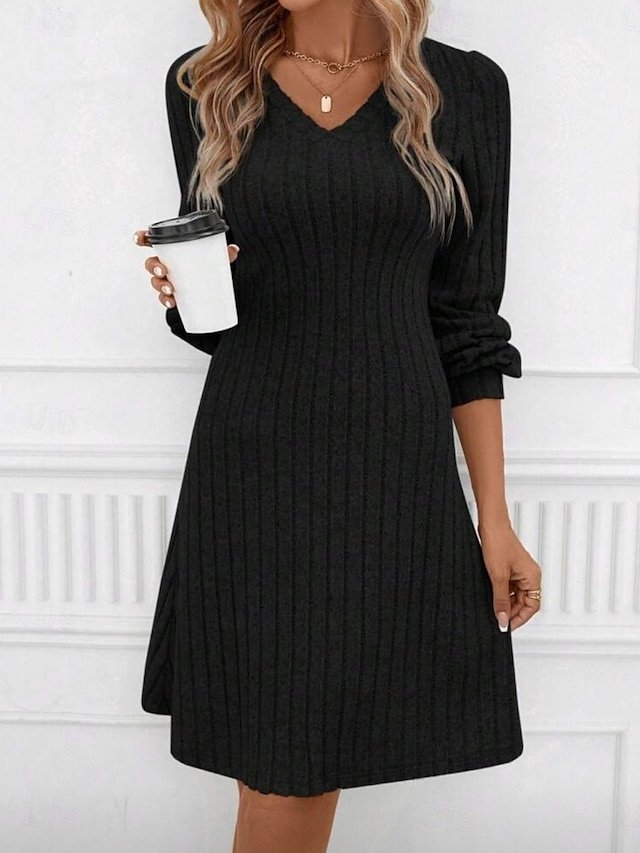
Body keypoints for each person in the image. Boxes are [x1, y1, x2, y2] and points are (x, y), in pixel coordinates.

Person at [135, 1, 543, 850]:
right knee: (276, 767)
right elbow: (222, 319)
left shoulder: (465, 88)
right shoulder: (206, 83)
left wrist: (494, 518)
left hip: (389, 474)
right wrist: (189, 294)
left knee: (292, 763)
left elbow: (467, 322)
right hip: (250, 468)